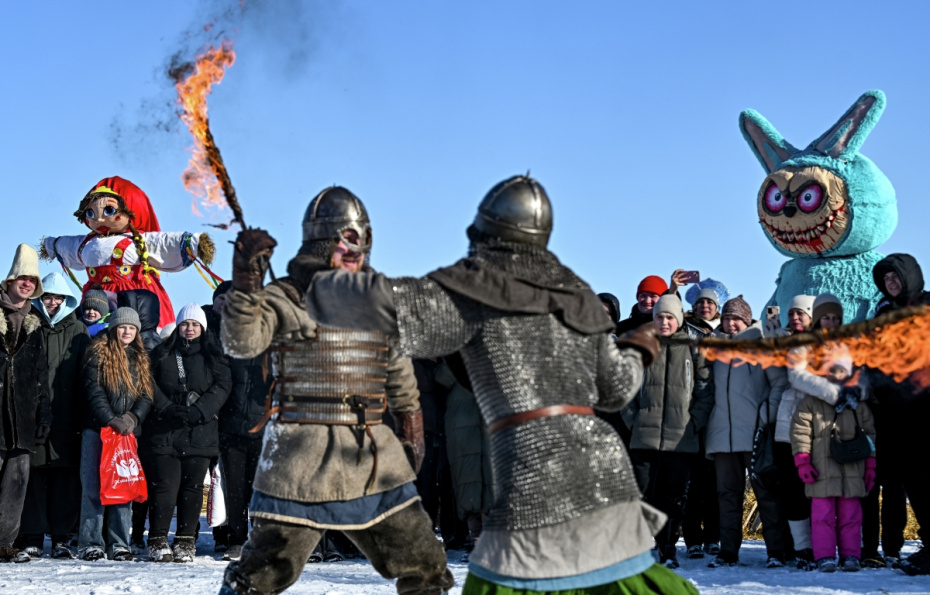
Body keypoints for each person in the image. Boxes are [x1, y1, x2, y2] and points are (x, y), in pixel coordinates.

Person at [301, 175, 697, 594]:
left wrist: (332, 253)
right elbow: (617, 389)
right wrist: (637, 350)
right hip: (599, 468)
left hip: (534, 470)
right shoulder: (576, 292)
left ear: (484, 227)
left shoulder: (470, 286)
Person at [219, 186, 453, 595]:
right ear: (322, 243)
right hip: (299, 452)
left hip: (371, 453)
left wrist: (411, 423)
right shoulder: (284, 294)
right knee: (259, 576)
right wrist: (246, 284)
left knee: (425, 566)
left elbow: (395, 367)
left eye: (359, 242)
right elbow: (241, 344)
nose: (354, 251)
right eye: (344, 241)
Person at [621, 295, 714, 569]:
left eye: (670, 317)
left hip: (681, 439)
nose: (664, 322)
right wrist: (634, 421)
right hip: (643, 438)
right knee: (641, 493)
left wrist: (693, 422)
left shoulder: (694, 348)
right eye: (660, 317)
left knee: (672, 497)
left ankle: (668, 546)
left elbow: (705, 390)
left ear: (679, 320)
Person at [705, 295, 789, 568]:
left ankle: (775, 551)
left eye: (736, 319)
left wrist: (767, 415)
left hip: (755, 433)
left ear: (747, 320)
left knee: (766, 493)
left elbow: (779, 384)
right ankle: (728, 551)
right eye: (727, 318)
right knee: (726, 495)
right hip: (721, 434)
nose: (731, 324)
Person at [143, 303, 231, 563]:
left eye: (194, 324)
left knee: (192, 488)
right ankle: (157, 538)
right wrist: (167, 408)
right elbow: (148, 383)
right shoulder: (161, 354)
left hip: (201, 431)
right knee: (165, 486)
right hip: (165, 431)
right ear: (178, 326)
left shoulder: (214, 357)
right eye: (185, 324)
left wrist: (201, 410)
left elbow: (223, 386)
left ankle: (185, 540)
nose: (189, 329)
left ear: (202, 328)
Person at [15, 272, 90, 559]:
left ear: (67, 300)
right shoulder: (28, 326)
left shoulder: (79, 330)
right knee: (34, 477)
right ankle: (32, 535)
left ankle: (62, 537)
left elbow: (86, 377)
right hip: (32, 414)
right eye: (48, 297)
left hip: (67, 415)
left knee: (65, 478)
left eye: (59, 297)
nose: (53, 302)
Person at [867, 253, 930, 576]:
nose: (891, 283)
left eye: (895, 278)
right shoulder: (883, 314)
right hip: (892, 414)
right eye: (886, 279)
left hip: (923, 410)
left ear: (910, 277)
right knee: (911, 482)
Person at [78, 307, 153, 561]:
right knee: (93, 486)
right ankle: (90, 542)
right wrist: (110, 419)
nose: (127, 331)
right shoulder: (97, 353)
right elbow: (93, 391)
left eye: (132, 328)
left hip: (127, 433)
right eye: (122, 327)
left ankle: (119, 542)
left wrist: (133, 417)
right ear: (113, 328)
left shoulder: (140, 357)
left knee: (123, 485)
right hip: (98, 430)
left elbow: (146, 393)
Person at [206, 281, 273, 563]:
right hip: (231, 425)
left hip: (263, 426)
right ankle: (236, 540)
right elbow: (220, 382)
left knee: (261, 487)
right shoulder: (227, 344)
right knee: (234, 488)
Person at [790, 355, 876, 572]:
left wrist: (870, 465)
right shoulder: (810, 401)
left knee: (851, 516)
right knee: (822, 516)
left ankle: (851, 555)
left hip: (853, 468)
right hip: (821, 468)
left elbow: (870, 436)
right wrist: (802, 461)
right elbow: (800, 433)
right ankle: (825, 556)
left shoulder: (858, 403)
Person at [0, 244, 51, 563]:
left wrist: (44, 412)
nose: (27, 283)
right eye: (23, 277)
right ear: (9, 280)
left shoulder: (36, 323)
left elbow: (41, 375)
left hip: (22, 417)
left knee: (15, 487)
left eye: (33, 280)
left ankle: (4, 543)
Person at [679, 281, 728, 558]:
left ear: (717, 307)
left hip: (717, 415)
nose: (705, 306)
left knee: (713, 482)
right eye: (700, 303)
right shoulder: (685, 330)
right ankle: (692, 539)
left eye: (710, 302)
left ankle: (713, 537)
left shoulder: (726, 332)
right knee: (691, 481)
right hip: (689, 413)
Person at [770, 295, 816, 570]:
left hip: (815, 425)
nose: (796, 318)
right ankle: (801, 547)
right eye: (793, 313)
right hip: (786, 424)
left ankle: (821, 544)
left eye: (801, 313)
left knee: (816, 488)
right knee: (791, 489)